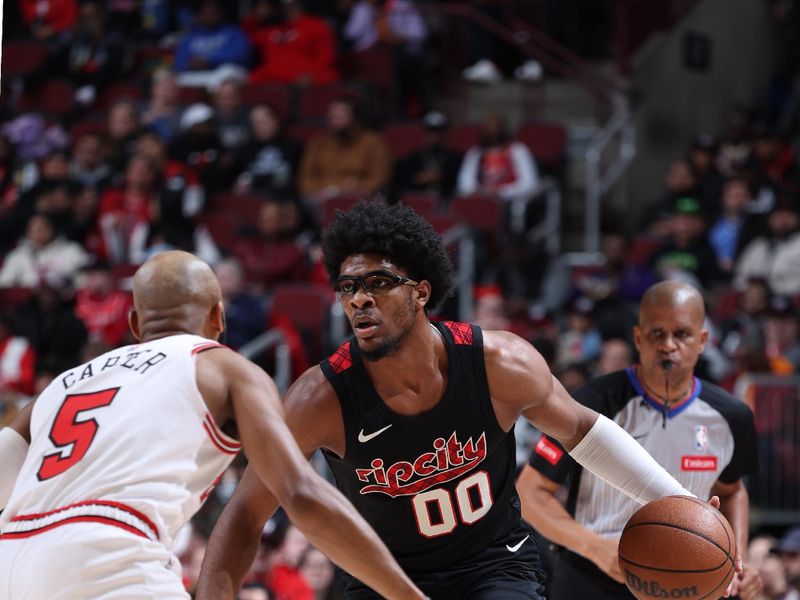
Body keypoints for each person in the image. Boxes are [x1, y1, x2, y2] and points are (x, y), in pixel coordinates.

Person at [196, 202, 729, 600]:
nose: (359, 298)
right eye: (347, 286)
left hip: (494, 564)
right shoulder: (320, 397)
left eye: (378, 282)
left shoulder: (500, 362)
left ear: (421, 292)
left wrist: (677, 499)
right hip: (382, 576)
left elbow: (584, 432)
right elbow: (245, 515)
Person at [0, 250, 426, 600]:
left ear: (134, 326)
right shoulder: (222, 367)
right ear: (218, 318)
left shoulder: (59, 387)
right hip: (111, 555)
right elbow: (299, 492)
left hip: (11, 561)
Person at [516, 280, 763, 600]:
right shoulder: (592, 401)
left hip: (688, 581)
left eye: (682, 334)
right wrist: (594, 547)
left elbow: (732, 492)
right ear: (639, 338)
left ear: (702, 340)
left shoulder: (732, 416)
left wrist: (736, 560)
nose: (668, 345)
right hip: (593, 576)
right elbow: (530, 492)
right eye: (657, 333)